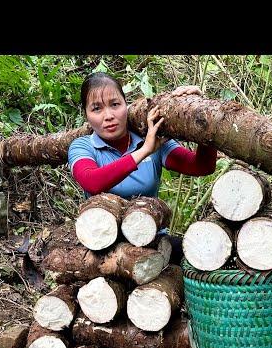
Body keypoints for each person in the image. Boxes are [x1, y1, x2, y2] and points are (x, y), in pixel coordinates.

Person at [67, 71, 218, 262]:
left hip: (152, 242)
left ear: (126, 105)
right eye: (97, 109)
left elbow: (202, 167)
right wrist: (144, 150)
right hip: (102, 247)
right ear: (87, 115)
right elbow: (92, 182)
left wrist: (203, 117)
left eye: (115, 104)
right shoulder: (83, 146)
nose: (109, 116)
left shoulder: (151, 138)